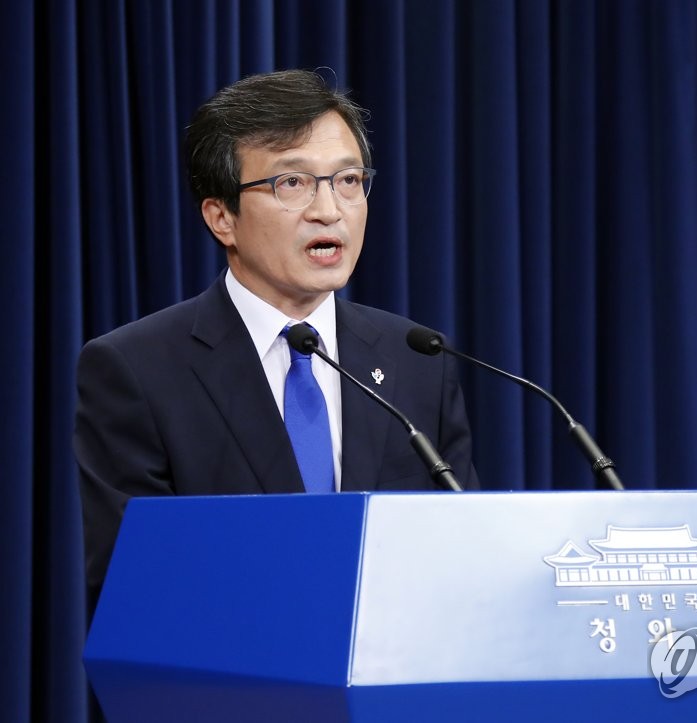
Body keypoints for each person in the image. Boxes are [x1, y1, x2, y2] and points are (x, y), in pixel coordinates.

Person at [74, 69, 479, 616]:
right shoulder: (136, 370)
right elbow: (135, 590)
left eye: (348, 180)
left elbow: (463, 557)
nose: (328, 209)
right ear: (222, 217)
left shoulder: (416, 360)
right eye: (292, 183)